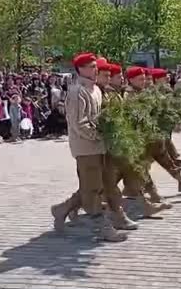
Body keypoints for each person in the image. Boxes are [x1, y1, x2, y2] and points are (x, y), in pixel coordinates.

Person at [51, 52, 134, 242]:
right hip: (86, 147)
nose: (96, 69)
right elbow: (78, 123)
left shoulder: (95, 89)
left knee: (95, 183)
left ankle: (62, 209)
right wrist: (99, 135)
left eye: (96, 66)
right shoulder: (77, 91)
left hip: (99, 145)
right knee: (93, 188)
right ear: (81, 69)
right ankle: (102, 227)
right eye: (92, 66)